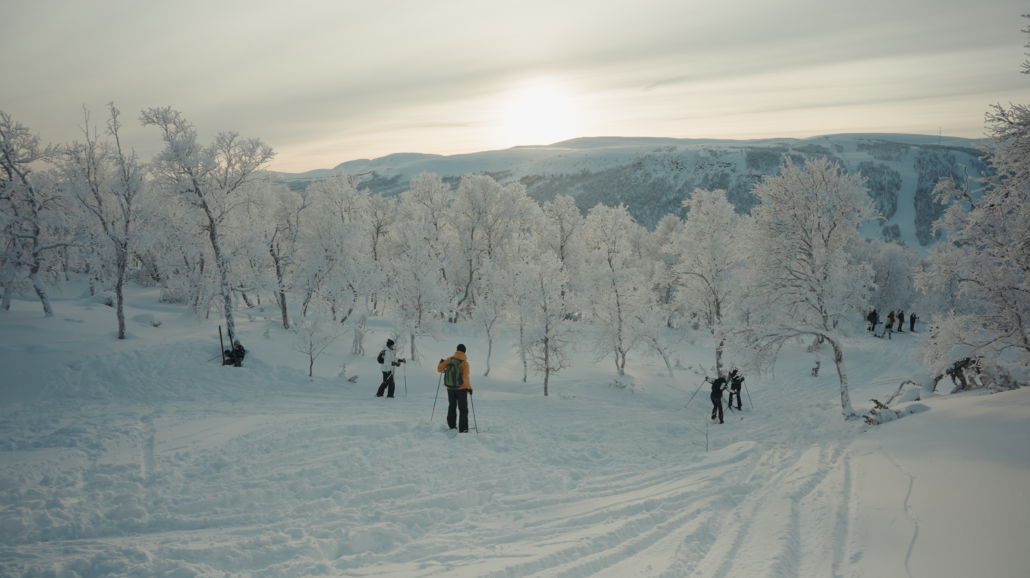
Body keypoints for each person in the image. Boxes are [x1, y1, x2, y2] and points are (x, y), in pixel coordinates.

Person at [438, 344, 472, 432]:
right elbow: (465, 377)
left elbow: (439, 369)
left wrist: (441, 362)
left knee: (452, 406)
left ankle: (452, 426)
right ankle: (463, 429)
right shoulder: (464, 363)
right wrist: (469, 388)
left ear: (456, 350)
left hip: (450, 388)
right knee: (463, 409)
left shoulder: (449, 359)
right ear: (464, 351)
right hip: (461, 389)